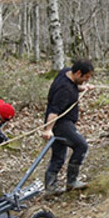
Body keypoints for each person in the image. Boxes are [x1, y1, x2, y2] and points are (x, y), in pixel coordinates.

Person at [42, 58, 94, 194]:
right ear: (78, 73)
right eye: (85, 78)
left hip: (63, 122)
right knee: (81, 145)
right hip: (60, 124)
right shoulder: (64, 90)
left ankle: (50, 188)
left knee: (59, 155)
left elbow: (74, 86)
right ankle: (71, 181)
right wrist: (48, 130)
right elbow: (54, 110)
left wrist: (83, 88)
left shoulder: (66, 72)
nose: (86, 80)